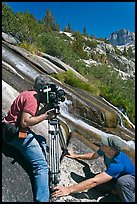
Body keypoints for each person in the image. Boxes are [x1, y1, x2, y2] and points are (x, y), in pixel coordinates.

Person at [2, 75, 57, 202]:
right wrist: (46, 117)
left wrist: (46, 108)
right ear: (44, 89)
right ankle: (42, 199)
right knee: (41, 166)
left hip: (9, 128)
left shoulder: (29, 93)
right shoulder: (33, 99)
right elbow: (25, 122)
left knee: (41, 140)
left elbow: (32, 114)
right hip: (16, 135)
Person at [52, 135, 135, 202]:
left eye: (105, 144)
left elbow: (95, 181)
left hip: (131, 181)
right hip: (116, 178)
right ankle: (115, 192)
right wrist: (76, 156)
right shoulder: (105, 150)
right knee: (97, 184)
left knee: (122, 182)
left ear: (112, 151)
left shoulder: (117, 165)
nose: (101, 144)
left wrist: (69, 189)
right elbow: (93, 156)